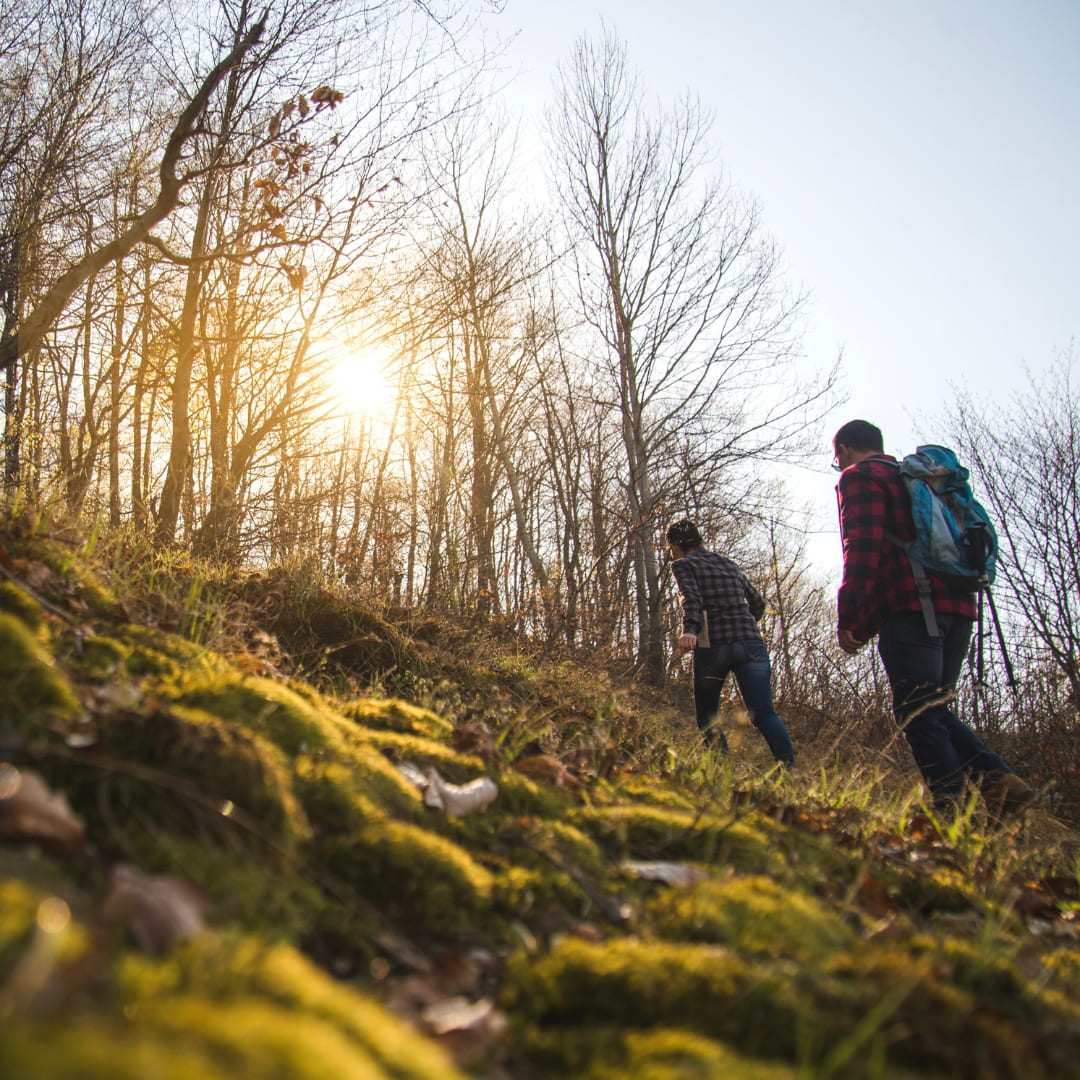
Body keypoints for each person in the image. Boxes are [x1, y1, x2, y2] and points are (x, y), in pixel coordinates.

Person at [832, 419, 1034, 819]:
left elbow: (864, 547)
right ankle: (1000, 784)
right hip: (959, 608)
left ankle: (950, 810)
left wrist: (849, 613)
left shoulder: (859, 477)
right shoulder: (918, 481)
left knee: (917, 712)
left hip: (913, 610)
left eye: (836, 459)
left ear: (845, 451)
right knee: (932, 708)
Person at [666, 519, 795, 766]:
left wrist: (690, 630)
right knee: (763, 712)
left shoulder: (683, 564)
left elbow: (691, 598)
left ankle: (723, 771)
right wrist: (744, 624)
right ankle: (788, 769)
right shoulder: (728, 563)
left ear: (676, 546)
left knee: (708, 715)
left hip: (714, 646)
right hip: (750, 644)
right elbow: (757, 603)